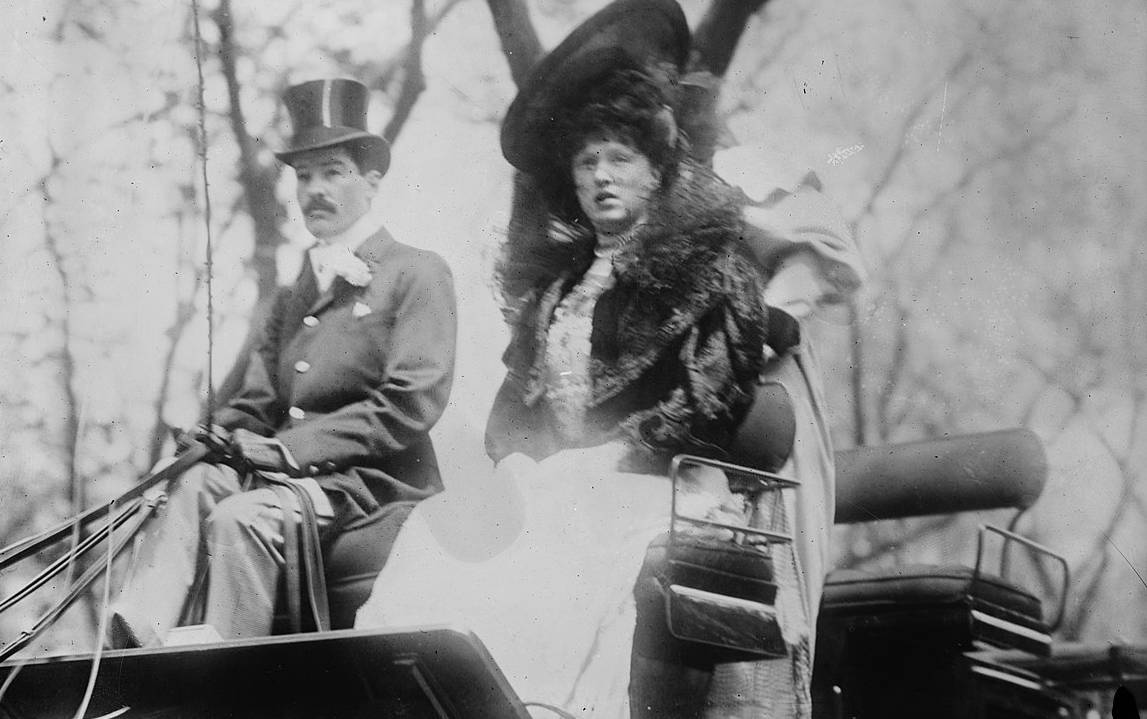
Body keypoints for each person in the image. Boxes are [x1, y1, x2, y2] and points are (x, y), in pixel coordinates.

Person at [356, 2, 799, 715]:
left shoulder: (711, 267)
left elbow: (707, 400)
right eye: (586, 161)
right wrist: (498, 467)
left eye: (619, 158)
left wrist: (597, 458)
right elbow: (514, 410)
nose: (601, 175)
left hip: (661, 487)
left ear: (655, 170)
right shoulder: (557, 289)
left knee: (555, 536)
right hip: (557, 485)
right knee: (431, 539)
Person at [109, 78, 457, 646]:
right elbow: (258, 400)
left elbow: (410, 402)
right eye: (304, 176)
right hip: (284, 476)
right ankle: (135, 647)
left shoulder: (417, 272)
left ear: (371, 182)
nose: (315, 190)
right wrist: (213, 435)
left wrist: (283, 450)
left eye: (334, 172)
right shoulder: (295, 292)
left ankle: (225, 676)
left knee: (237, 518)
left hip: (369, 483)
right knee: (195, 483)